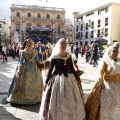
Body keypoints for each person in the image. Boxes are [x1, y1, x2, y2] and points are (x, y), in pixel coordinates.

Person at [39, 38, 85, 120]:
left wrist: (77, 78)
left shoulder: (69, 55)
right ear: (59, 46)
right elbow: (50, 70)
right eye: (62, 44)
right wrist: (46, 82)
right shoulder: (55, 57)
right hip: (57, 79)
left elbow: (72, 69)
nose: (64, 45)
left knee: (71, 99)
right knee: (58, 99)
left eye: (65, 44)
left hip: (69, 79)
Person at [85, 42, 120, 120]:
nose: (115, 53)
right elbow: (100, 72)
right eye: (113, 51)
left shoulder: (119, 61)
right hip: (106, 85)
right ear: (110, 51)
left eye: (117, 51)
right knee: (106, 104)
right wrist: (101, 83)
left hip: (118, 86)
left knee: (116, 104)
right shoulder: (105, 60)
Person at [7, 39, 43, 104]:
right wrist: (19, 70)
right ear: (26, 43)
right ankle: (24, 98)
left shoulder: (35, 51)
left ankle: (35, 97)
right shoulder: (23, 52)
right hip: (26, 69)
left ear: (32, 43)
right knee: (25, 82)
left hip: (34, 70)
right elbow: (21, 62)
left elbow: (37, 60)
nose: (29, 44)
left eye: (30, 42)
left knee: (34, 83)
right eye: (28, 43)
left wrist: (41, 65)